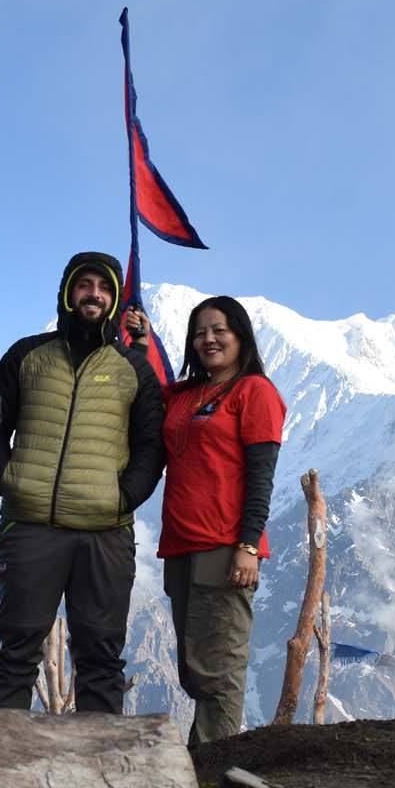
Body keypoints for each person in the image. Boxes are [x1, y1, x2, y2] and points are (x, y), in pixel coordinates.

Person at [0, 252, 165, 714]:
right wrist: (6, 481)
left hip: (104, 532)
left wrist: (123, 497)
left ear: (117, 299)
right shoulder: (26, 355)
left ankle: (96, 772)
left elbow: (151, 445)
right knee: (16, 651)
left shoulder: (134, 369)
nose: (94, 294)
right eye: (85, 285)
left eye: (104, 288)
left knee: (101, 658)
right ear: (67, 291)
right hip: (30, 525)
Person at [129, 295, 285, 744]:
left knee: (220, 669)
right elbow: (145, 391)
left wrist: (249, 544)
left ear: (240, 335)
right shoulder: (183, 394)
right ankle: (203, 761)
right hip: (181, 543)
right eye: (200, 332)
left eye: (219, 330)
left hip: (226, 545)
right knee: (194, 666)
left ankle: (215, 770)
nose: (209, 339)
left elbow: (261, 475)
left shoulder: (255, 392)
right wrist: (141, 342)